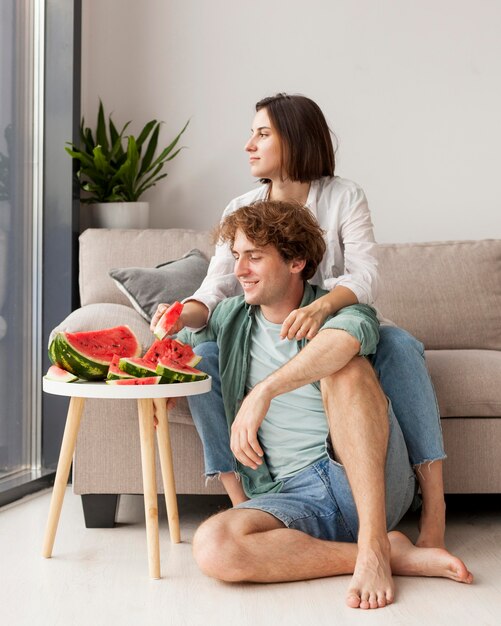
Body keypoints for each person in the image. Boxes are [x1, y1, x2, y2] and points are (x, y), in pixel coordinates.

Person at [151, 93, 446, 549]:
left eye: (262, 133)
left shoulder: (343, 195)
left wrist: (323, 307)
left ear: (295, 139)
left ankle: (434, 510)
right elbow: (216, 288)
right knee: (204, 357)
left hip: (340, 315)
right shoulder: (241, 208)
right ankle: (244, 501)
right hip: (276, 316)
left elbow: (364, 274)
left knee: (398, 346)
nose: (249, 144)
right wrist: (179, 317)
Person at [177, 201, 472, 610]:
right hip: (287, 494)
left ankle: (373, 545)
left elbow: (344, 343)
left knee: (346, 370)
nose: (239, 270)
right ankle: (390, 553)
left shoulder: (342, 308)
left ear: (296, 261)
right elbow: (176, 352)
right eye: (238, 256)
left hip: (361, 481)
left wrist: (263, 392)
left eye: (254, 257)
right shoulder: (229, 317)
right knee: (213, 546)